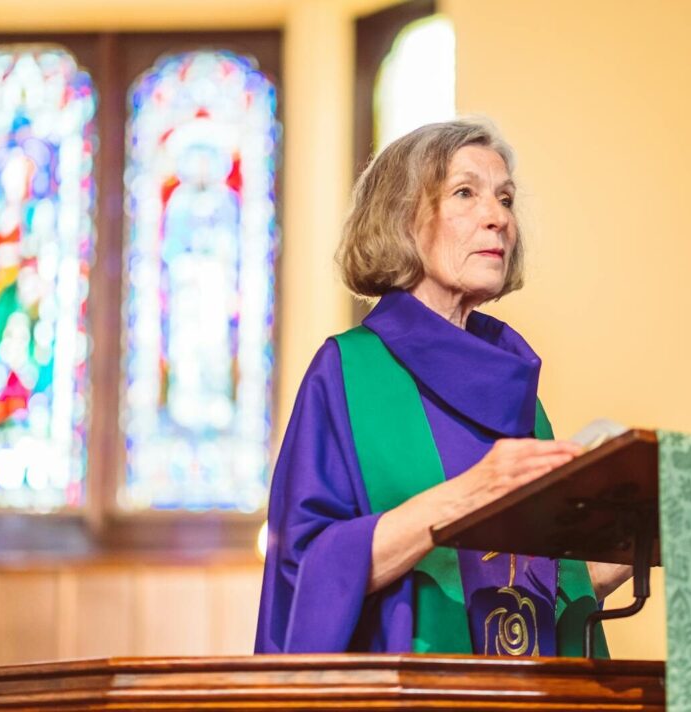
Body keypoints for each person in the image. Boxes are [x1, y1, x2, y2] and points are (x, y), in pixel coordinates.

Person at [255, 120, 631, 656]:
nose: (498, 217)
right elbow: (306, 570)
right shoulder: (350, 371)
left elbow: (518, 603)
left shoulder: (517, 387)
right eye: (465, 193)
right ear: (402, 217)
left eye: (505, 199)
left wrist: (618, 559)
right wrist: (467, 495)